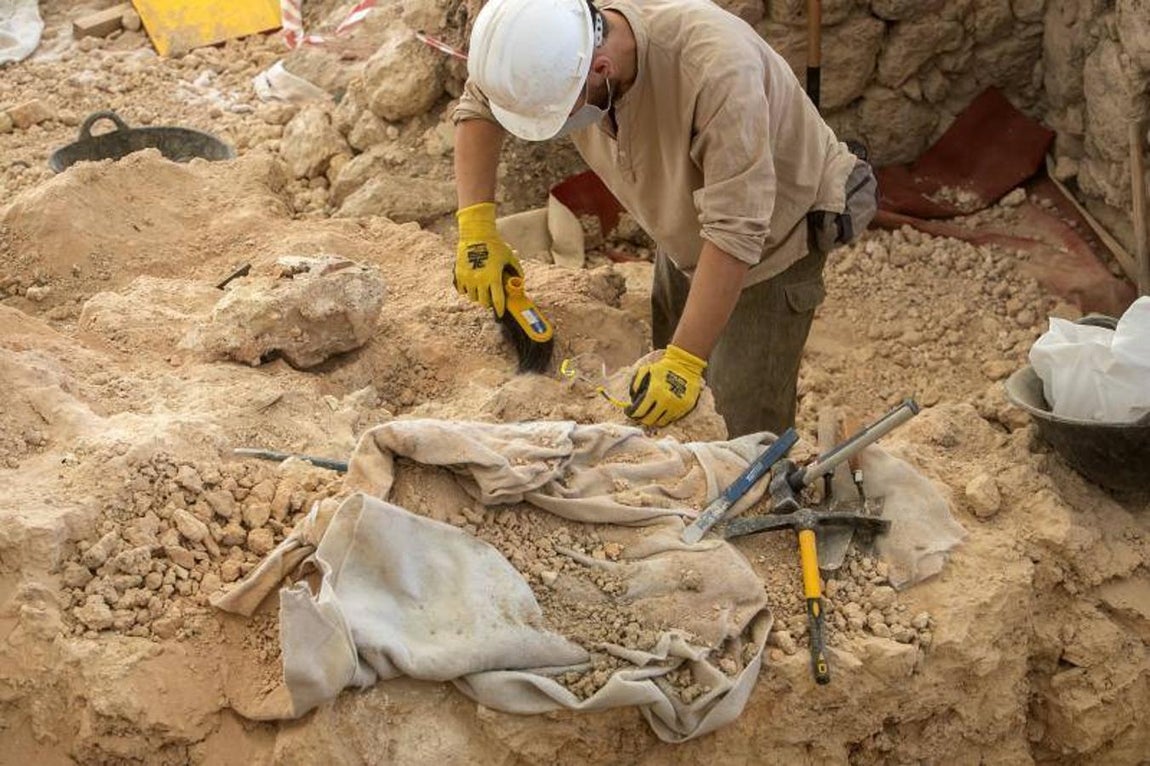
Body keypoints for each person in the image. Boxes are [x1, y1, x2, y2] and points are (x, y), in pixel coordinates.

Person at [451, 0, 877, 437]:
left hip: (772, 238)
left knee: (739, 430)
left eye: (558, 113)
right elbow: (480, 103)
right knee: (668, 390)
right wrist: (477, 229)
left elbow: (737, 231)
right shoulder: (556, 38)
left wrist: (685, 362)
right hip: (685, 221)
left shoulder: (717, 72)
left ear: (600, 69)